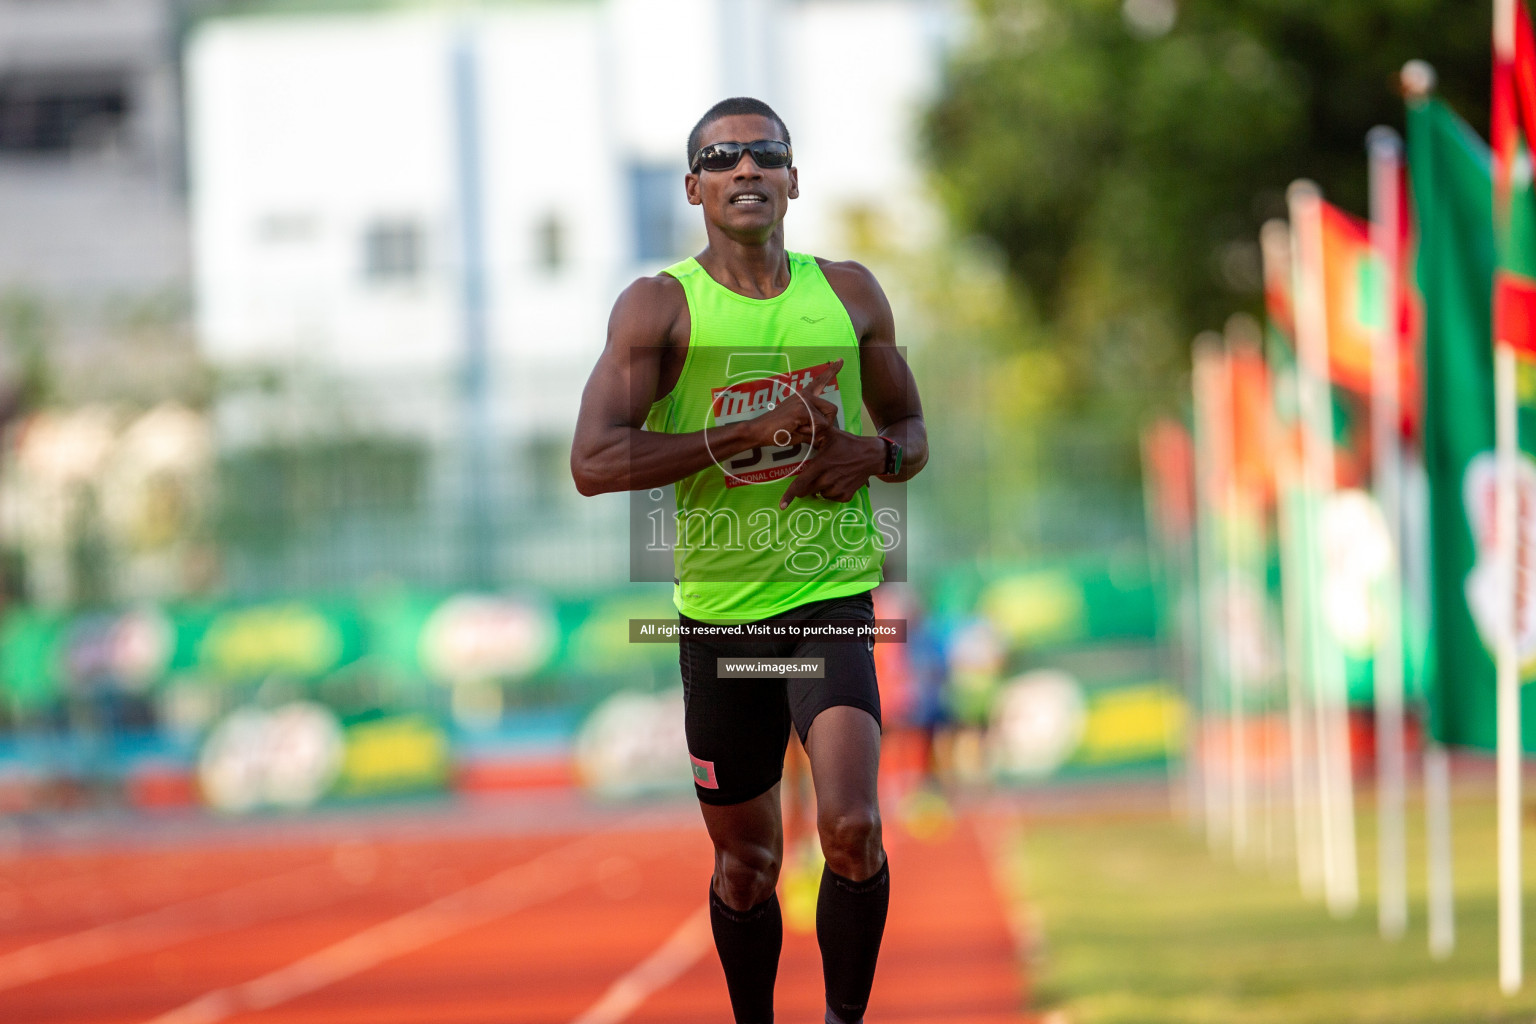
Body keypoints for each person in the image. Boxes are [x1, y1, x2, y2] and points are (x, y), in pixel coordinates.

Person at [571, 96, 928, 1024]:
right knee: (747, 866)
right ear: (693, 186)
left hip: (829, 600)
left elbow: (911, 431)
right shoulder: (658, 308)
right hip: (721, 620)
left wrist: (877, 456)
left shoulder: (850, 295)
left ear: (793, 180)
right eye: (722, 157)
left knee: (851, 827)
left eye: (765, 154)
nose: (745, 169)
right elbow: (595, 462)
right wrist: (735, 438)